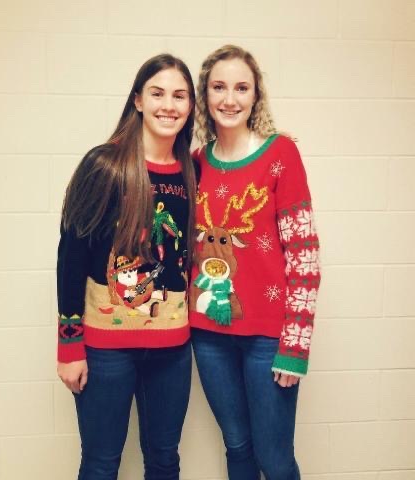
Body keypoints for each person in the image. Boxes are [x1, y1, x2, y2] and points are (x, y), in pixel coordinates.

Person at [56, 53, 197, 480]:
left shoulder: (193, 169)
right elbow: (71, 257)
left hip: (172, 349)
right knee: (101, 463)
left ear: (191, 106)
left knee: (164, 459)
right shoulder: (104, 165)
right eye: (157, 93)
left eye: (179, 95)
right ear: (137, 100)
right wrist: (69, 346)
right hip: (105, 350)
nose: (168, 105)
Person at [189, 45, 321, 480]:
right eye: (219, 87)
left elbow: (304, 256)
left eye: (241, 87)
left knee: (274, 458)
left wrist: (295, 346)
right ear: (205, 96)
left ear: (255, 96)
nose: (230, 99)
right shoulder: (194, 165)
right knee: (238, 447)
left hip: (268, 337)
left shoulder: (281, 153)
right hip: (209, 334)